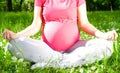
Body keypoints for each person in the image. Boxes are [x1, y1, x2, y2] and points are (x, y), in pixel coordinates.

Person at [2, 0, 118, 68]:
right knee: (13, 44)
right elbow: (35, 25)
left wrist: (103, 35)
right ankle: (66, 61)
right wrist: (15, 35)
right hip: (47, 49)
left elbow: (85, 24)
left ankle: (52, 63)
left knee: (106, 45)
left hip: (74, 48)